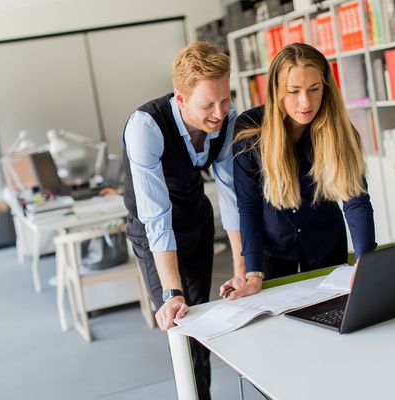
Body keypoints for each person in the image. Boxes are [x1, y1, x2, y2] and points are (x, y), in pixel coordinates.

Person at [122, 41, 244, 400]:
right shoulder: (146, 127)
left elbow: (231, 195)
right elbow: (156, 217)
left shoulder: (227, 118)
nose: (219, 113)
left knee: (200, 322)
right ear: (180, 98)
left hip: (195, 220)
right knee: (180, 319)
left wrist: (242, 269)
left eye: (225, 100)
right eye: (207, 105)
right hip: (153, 233)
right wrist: (172, 293)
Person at [220, 42, 376, 300]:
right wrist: (253, 272)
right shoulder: (250, 129)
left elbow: (355, 199)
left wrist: (365, 260)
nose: (306, 103)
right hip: (273, 248)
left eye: (314, 89)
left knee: (332, 310)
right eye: (293, 91)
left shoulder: (340, 132)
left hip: (325, 241)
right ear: (276, 90)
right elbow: (249, 206)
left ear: (326, 87)